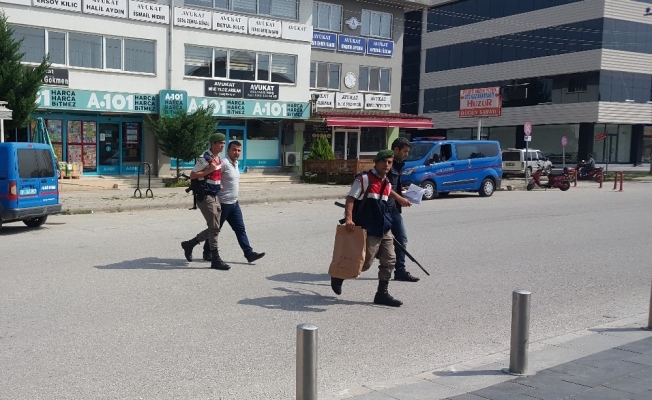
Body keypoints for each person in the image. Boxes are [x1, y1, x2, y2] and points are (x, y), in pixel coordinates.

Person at [331, 149, 403, 307]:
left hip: (384, 227)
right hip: (369, 228)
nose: (387, 165)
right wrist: (349, 219)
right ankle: (338, 277)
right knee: (365, 263)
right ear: (376, 163)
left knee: (390, 260)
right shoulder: (364, 179)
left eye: (390, 162)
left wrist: (399, 198)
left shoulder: (387, 182)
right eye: (383, 161)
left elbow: (389, 193)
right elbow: (350, 198)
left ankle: (381, 294)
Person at [200, 141, 265, 264]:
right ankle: (206, 250)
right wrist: (218, 184)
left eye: (239, 150)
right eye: (234, 150)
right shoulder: (223, 163)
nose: (237, 153)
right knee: (215, 229)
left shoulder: (235, 163)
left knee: (240, 229)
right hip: (222, 203)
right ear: (228, 150)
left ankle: (249, 253)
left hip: (234, 204)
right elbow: (210, 175)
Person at [180, 133, 230, 270]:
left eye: (224, 143)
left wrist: (218, 184)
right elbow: (193, 175)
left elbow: (214, 176)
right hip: (205, 196)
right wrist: (209, 170)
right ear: (213, 143)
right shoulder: (205, 159)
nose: (222, 145)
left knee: (215, 227)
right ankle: (215, 258)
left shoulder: (217, 158)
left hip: (214, 195)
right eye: (220, 142)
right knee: (214, 228)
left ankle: (190, 244)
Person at [385, 137, 419, 282]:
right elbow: (383, 186)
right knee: (372, 244)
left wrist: (403, 191)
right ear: (396, 149)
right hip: (383, 209)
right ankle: (348, 268)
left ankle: (400, 270)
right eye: (404, 151)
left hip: (394, 209)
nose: (406, 154)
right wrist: (399, 198)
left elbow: (392, 186)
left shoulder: (398, 165)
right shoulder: (386, 164)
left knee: (401, 239)